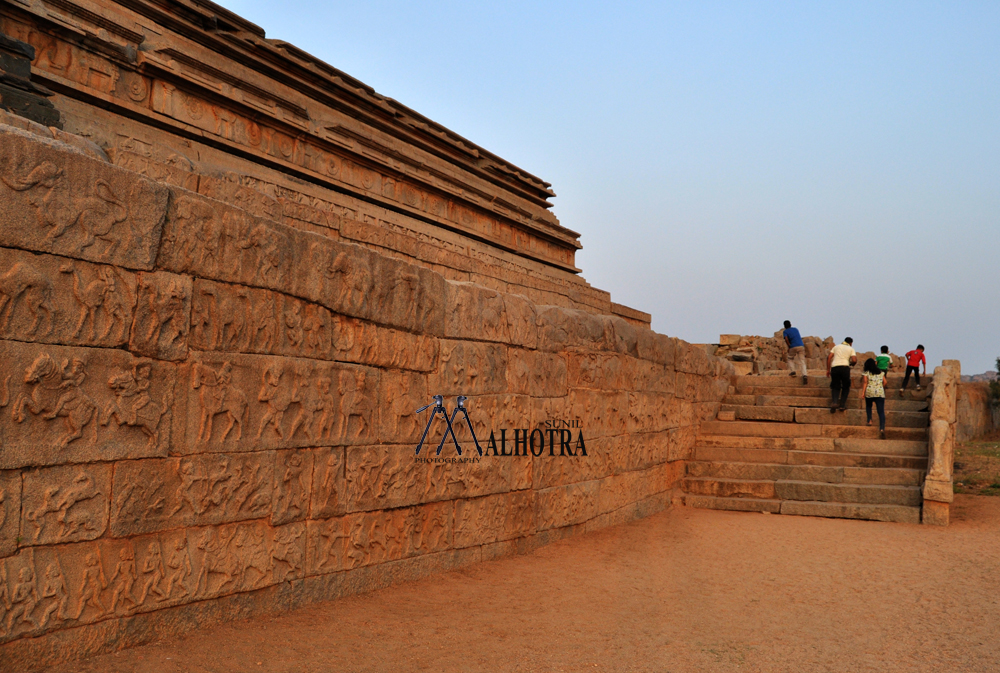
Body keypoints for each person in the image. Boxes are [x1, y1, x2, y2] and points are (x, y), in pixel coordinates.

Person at [826, 337, 857, 412]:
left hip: (835, 368)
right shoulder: (850, 349)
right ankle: (842, 405)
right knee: (845, 386)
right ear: (851, 343)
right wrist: (852, 364)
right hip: (844, 367)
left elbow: (829, 357)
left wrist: (828, 369)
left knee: (835, 386)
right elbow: (854, 360)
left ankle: (835, 402)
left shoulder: (836, 347)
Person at [861, 358, 887, 439]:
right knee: (881, 411)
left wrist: (863, 393)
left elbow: (865, 382)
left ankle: (869, 420)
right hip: (879, 393)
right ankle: (882, 428)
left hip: (869, 392)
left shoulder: (866, 373)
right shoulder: (881, 372)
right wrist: (880, 387)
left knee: (869, 406)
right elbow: (885, 382)